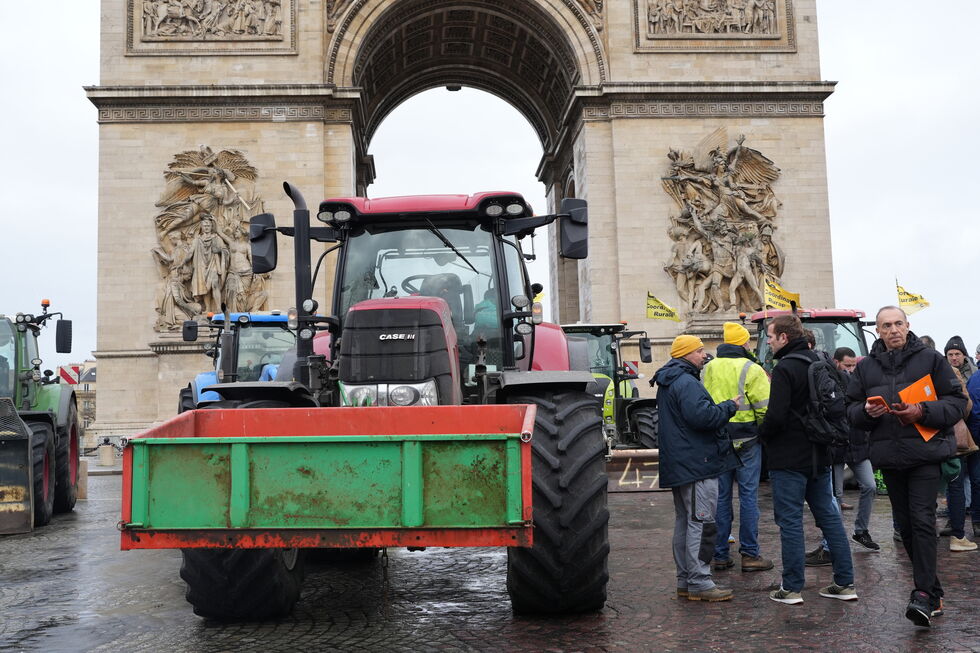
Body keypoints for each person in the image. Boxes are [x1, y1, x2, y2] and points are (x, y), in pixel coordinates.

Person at [845, 306, 965, 627]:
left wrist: (921, 411)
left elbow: (956, 403)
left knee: (923, 521)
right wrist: (865, 413)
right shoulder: (866, 367)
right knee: (906, 527)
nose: (894, 329)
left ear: (908, 325)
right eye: (886, 326)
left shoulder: (931, 359)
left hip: (925, 454)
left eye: (898, 323)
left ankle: (923, 594)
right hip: (889, 457)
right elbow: (850, 409)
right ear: (879, 331)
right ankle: (934, 591)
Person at [759, 314, 857, 605]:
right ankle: (845, 582)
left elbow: (776, 416)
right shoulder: (820, 361)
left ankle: (791, 588)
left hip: (789, 456)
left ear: (784, 338)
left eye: (771, 336)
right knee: (829, 517)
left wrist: (761, 432)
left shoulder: (786, 368)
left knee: (789, 521)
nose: (768, 340)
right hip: (820, 452)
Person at [654, 334, 741, 602]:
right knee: (702, 524)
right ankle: (700, 582)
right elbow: (702, 417)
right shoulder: (687, 382)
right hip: (698, 464)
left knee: (685, 522)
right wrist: (729, 407)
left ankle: (685, 579)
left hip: (682, 463)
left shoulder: (670, 380)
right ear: (686, 354)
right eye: (700, 351)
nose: (704, 355)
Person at [704, 322, 774, 573]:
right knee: (748, 497)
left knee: (721, 498)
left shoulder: (708, 367)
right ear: (743, 343)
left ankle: (720, 554)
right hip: (748, 441)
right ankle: (750, 554)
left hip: (719, 439)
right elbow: (765, 406)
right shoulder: (751, 368)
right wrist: (765, 434)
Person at [831, 347, 880, 552]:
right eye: (847, 365)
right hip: (837, 445)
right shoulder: (829, 382)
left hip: (858, 443)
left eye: (853, 365)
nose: (850, 369)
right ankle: (834, 538)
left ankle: (861, 530)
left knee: (870, 486)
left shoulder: (860, 381)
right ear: (836, 363)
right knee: (836, 494)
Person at [938, 349, 978, 551]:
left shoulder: (914, 372)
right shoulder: (951, 372)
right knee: (956, 484)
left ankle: (925, 534)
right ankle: (958, 535)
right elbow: (966, 405)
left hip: (925, 438)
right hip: (952, 437)